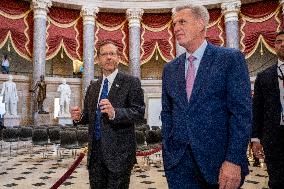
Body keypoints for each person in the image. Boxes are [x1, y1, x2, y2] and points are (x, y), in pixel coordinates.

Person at [161, 4, 251, 189]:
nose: (176, 28)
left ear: (201, 23)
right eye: (175, 23)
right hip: (178, 165)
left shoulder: (229, 59)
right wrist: (168, 151)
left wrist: (234, 160)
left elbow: (241, 114)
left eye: (182, 22)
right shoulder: (170, 69)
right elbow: (167, 112)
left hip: (219, 165)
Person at [70, 40, 145, 189]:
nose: (109, 57)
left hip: (119, 156)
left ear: (118, 58)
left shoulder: (131, 82)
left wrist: (114, 113)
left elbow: (139, 112)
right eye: (104, 54)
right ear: (98, 60)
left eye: (112, 54)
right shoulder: (93, 86)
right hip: (95, 156)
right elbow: (89, 117)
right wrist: (79, 117)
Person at [252, 31, 284, 188]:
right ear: (274, 46)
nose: (282, 44)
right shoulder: (264, 76)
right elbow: (257, 109)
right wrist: (255, 138)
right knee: (276, 180)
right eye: (279, 41)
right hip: (274, 136)